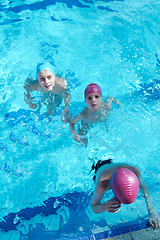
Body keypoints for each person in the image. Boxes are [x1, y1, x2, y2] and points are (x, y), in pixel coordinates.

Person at [90, 159, 160, 229]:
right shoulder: (102, 184)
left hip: (111, 166)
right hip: (99, 169)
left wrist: (152, 213)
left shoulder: (135, 171)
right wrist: (105, 206)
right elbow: (94, 206)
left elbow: (145, 191)